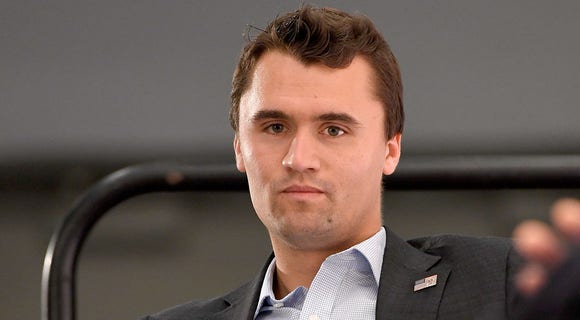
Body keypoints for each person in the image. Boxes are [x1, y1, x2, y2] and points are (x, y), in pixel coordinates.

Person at [141, 6, 523, 320]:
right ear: (240, 147)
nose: (298, 159)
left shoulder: (500, 281)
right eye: (275, 127)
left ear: (390, 150)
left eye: (334, 130)